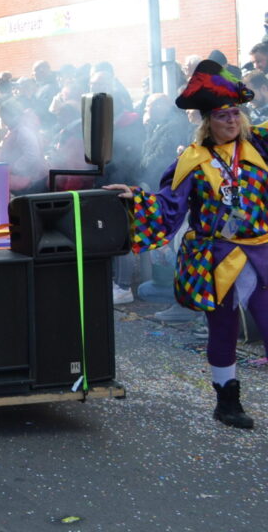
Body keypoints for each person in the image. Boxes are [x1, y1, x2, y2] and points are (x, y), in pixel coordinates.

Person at [106, 61, 268, 429]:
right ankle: (227, 403)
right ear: (207, 121)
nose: (231, 121)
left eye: (235, 113)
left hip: (261, 253)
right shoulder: (192, 160)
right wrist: (134, 199)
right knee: (223, 329)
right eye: (223, 115)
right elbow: (168, 208)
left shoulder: (259, 144)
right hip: (216, 257)